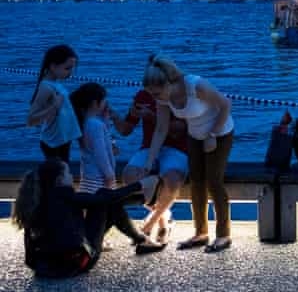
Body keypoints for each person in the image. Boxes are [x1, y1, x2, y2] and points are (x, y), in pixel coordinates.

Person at [142, 54, 235, 253]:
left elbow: (225, 104)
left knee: (214, 181)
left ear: (169, 84)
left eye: (157, 93)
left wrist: (212, 135)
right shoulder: (163, 99)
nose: (155, 98)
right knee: (196, 182)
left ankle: (224, 234)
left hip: (219, 132)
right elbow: (161, 129)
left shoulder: (196, 86)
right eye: (152, 94)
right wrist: (150, 159)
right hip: (195, 135)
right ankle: (200, 232)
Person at [14, 158, 164, 278]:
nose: (72, 176)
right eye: (68, 174)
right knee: (105, 200)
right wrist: (140, 184)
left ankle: (141, 230)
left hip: (43, 267)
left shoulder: (37, 199)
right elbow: (103, 199)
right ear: (59, 180)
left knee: (104, 199)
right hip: (76, 264)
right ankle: (141, 237)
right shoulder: (65, 195)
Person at [112, 89, 189, 244]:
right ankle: (164, 217)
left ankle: (151, 223)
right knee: (130, 176)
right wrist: (113, 115)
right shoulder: (142, 95)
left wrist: (151, 117)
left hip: (176, 148)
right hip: (148, 147)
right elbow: (126, 129)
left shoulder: (179, 95)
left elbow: (179, 130)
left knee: (172, 178)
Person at [27, 45, 81, 162]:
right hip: (53, 143)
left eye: (72, 68)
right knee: (57, 176)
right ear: (53, 66)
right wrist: (54, 106)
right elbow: (31, 120)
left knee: (62, 173)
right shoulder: (46, 87)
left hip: (63, 139)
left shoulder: (56, 83)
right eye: (67, 68)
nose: (70, 73)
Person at [69, 83, 117, 194]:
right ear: (95, 103)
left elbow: (102, 140)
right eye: (104, 99)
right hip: (100, 179)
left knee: (90, 208)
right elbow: (100, 153)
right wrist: (109, 174)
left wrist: (105, 120)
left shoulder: (86, 122)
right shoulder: (95, 125)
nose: (106, 103)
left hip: (89, 176)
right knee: (101, 209)